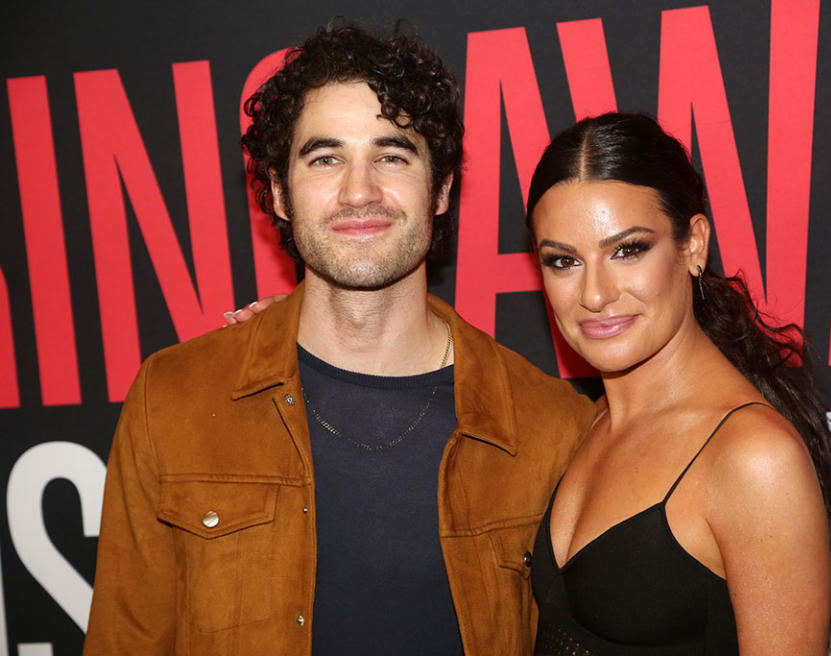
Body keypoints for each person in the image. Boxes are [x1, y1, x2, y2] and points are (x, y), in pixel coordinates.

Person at [83, 23, 595, 655]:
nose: (360, 191)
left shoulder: (551, 427)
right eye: (326, 158)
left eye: (391, 155)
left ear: (440, 190)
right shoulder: (173, 399)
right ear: (279, 193)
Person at [524, 113, 831, 655]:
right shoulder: (587, 424)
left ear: (693, 245)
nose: (594, 294)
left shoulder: (753, 458)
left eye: (627, 250)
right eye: (563, 261)